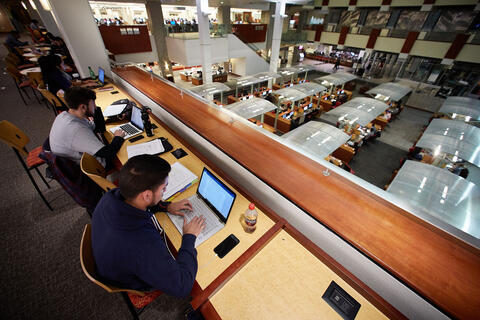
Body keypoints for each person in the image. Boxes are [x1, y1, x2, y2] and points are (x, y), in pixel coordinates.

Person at [91, 154, 206, 297]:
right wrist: (189, 237)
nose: (164, 193)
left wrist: (166, 206)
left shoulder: (112, 196)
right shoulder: (139, 242)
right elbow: (182, 287)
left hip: (113, 258)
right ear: (146, 195)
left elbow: (139, 203)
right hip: (133, 280)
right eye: (164, 189)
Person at [49, 87, 125, 170]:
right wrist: (118, 137)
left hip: (71, 158)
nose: (95, 107)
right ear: (83, 107)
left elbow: (97, 128)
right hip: (89, 166)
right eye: (93, 103)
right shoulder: (77, 129)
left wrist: (93, 111)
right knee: (124, 154)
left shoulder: (64, 115)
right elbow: (108, 153)